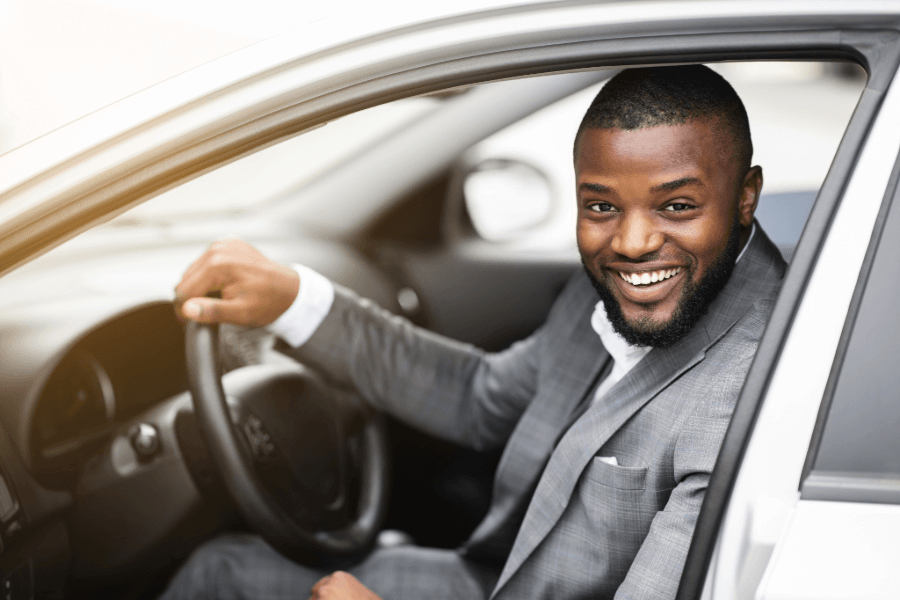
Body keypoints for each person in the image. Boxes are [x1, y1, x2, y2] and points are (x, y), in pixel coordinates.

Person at [163, 65, 785, 600]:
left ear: (745, 198)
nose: (631, 243)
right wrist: (293, 300)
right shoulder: (609, 288)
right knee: (220, 572)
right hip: (493, 580)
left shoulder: (755, 388)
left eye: (676, 205)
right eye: (601, 206)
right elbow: (476, 396)